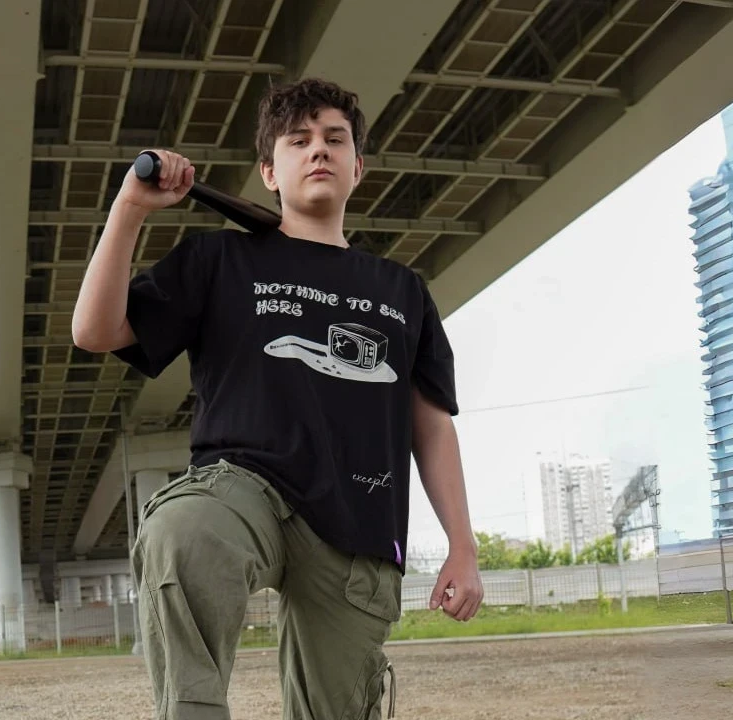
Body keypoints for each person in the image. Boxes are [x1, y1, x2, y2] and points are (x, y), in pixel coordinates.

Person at [71, 77, 482, 720]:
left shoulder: (402, 291)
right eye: (298, 141)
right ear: (269, 172)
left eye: (335, 140)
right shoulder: (220, 260)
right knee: (182, 530)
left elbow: (429, 425)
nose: (318, 149)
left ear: (357, 167)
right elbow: (95, 331)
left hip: (358, 521)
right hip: (243, 489)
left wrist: (463, 545)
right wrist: (130, 207)